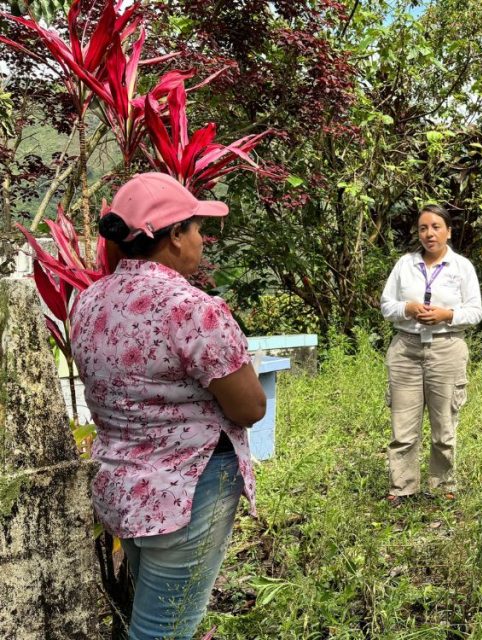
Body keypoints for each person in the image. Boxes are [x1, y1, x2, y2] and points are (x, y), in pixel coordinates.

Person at [70, 172, 267, 640]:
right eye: (196, 229)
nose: (201, 240)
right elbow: (249, 408)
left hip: (124, 487)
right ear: (175, 235)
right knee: (164, 630)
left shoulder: (90, 302)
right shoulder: (192, 309)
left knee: (153, 613)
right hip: (188, 489)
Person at [380, 204, 482, 504]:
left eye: (436, 227)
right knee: (403, 426)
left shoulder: (461, 267)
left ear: (448, 231)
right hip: (406, 349)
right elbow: (386, 305)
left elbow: (475, 311)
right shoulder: (405, 265)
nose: (429, 234)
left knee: (444, 425)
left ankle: (442, 485)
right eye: (423, 228)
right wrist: (408, 308)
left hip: (446, 347)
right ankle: (402, 487)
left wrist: (446, 315)